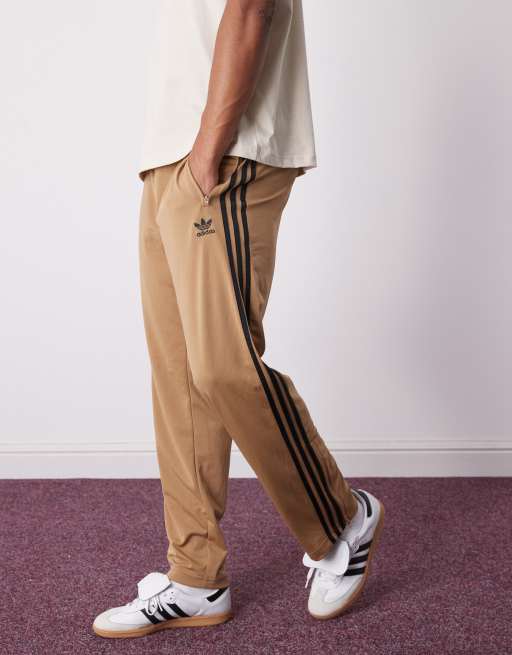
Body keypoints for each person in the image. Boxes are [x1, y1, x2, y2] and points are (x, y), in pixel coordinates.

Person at [93, 0, 384, 639]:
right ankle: (196, 576)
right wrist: (181, 161)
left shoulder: (217, 150)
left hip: (225, 152)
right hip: (170, 159)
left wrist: (208, 151)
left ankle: (341, 518)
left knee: (223, 367)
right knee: (180, 379)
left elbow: (250, 9)